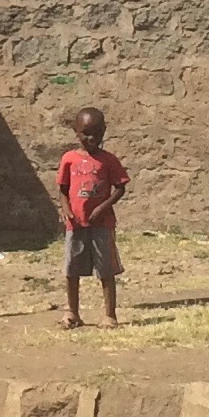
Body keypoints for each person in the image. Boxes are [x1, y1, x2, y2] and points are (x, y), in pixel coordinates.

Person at [56, 106, 129, 329]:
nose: (91, 138)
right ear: (76, 132)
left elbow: (120, 188)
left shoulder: (108, 160)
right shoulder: (69, 159)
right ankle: (72, 313)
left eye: (97, 133)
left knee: (106, 269)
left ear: (104, 131)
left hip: (101, 224)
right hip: (76, 224)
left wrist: (103, 207)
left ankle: (109, 315)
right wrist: (66, 209)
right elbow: (63, 189)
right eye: (86, 133)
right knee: (72, 269)